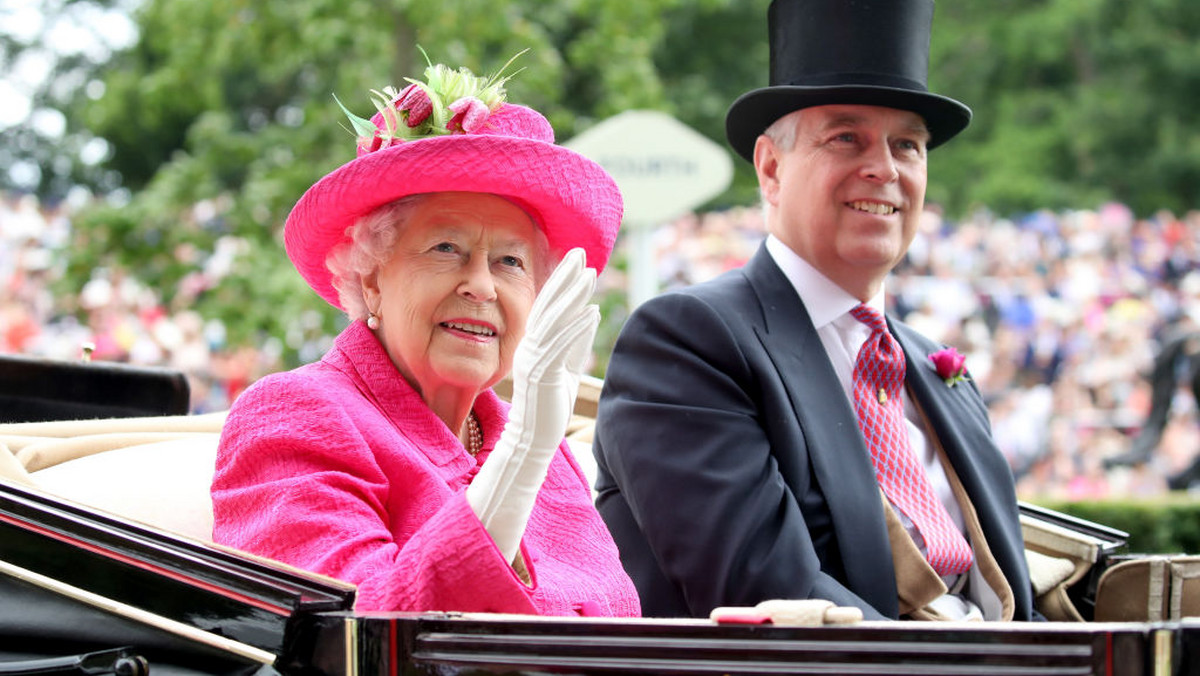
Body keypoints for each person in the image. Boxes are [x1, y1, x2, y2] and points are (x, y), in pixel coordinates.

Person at [593, 0, 1035, 621]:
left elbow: (1013, 601)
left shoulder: (938, 372)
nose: (883, 168)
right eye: (846, 137)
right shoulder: (687, 342)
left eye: (907, 145)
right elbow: (764, 590)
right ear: (771, 169)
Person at [211, 55, 639, 617]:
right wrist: (520, 456)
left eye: (510, 261)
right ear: (371, 276)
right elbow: (358, 636)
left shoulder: (534, 441)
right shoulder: (292, 415)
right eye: (446, 249)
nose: (481, 286)